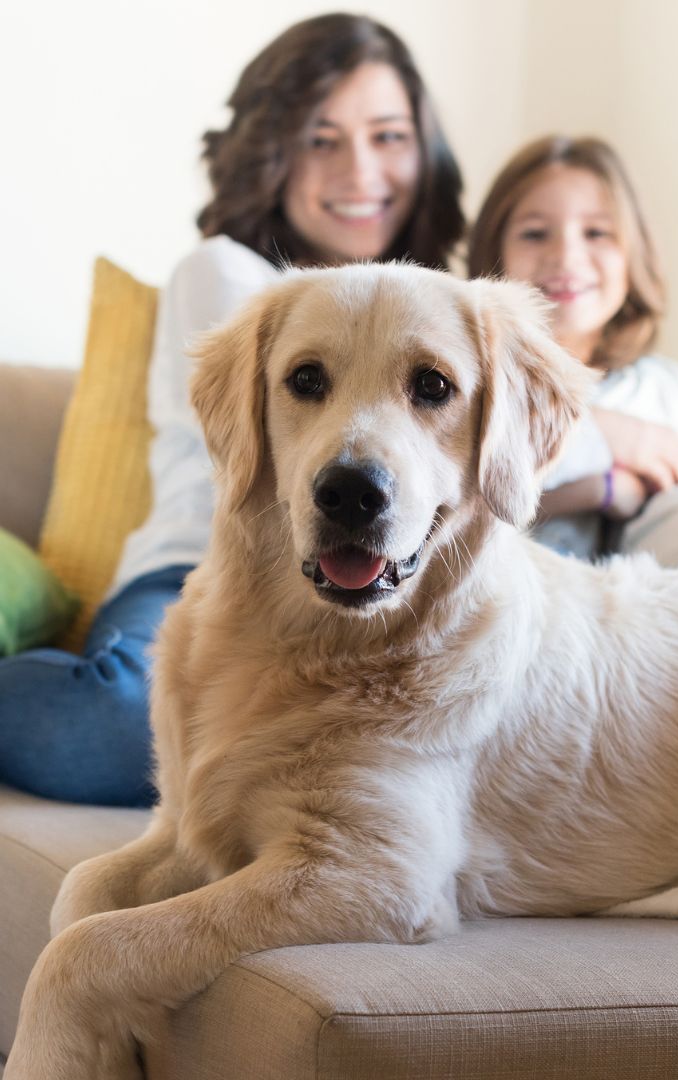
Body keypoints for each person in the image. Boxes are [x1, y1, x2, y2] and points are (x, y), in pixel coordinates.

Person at [0, 13, 465, 807]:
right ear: (272, 152)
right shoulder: (227, 275)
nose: (361, 168)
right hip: (199, 570)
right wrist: (613, 451)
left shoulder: (445, 310)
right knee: (112, 722)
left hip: (391, 578)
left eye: (388, 136)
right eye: (322, 139)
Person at [468, 135, 678, 559]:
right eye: (535, 233)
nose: (565, 255)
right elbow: (466, 503)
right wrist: (600, 487)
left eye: (596, 232)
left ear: (634, 257)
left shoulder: (657, 390)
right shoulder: (464, 381)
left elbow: (677, 513)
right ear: (494, 253)